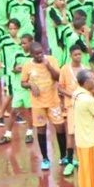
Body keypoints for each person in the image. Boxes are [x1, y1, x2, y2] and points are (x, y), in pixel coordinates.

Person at [19, 42, 61, 171]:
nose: (40, 56)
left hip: (53, 101)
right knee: (41, 130)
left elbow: (58, 77)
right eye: (36, 54)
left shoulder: (51, 60)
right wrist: (31, 85)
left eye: (41, 52)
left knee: (60, 128)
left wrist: (49, 66)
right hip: (38, 104)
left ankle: (64, 156)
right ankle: (45, 158)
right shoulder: (27, 65)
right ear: (31, 54)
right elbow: (23, 83)